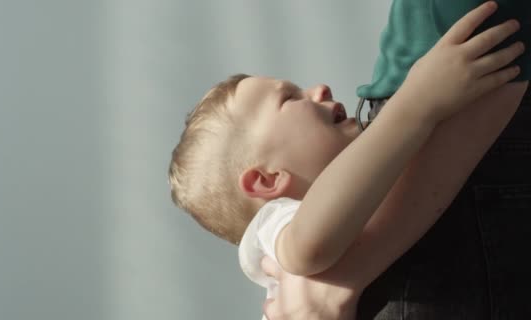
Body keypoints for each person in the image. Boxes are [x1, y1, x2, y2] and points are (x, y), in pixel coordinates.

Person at [168, 2, 527, 318]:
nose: (319, 89)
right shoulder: (273, 224)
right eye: (290, 99)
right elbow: (305, 249)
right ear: (267, 180)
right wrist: (418, 101)